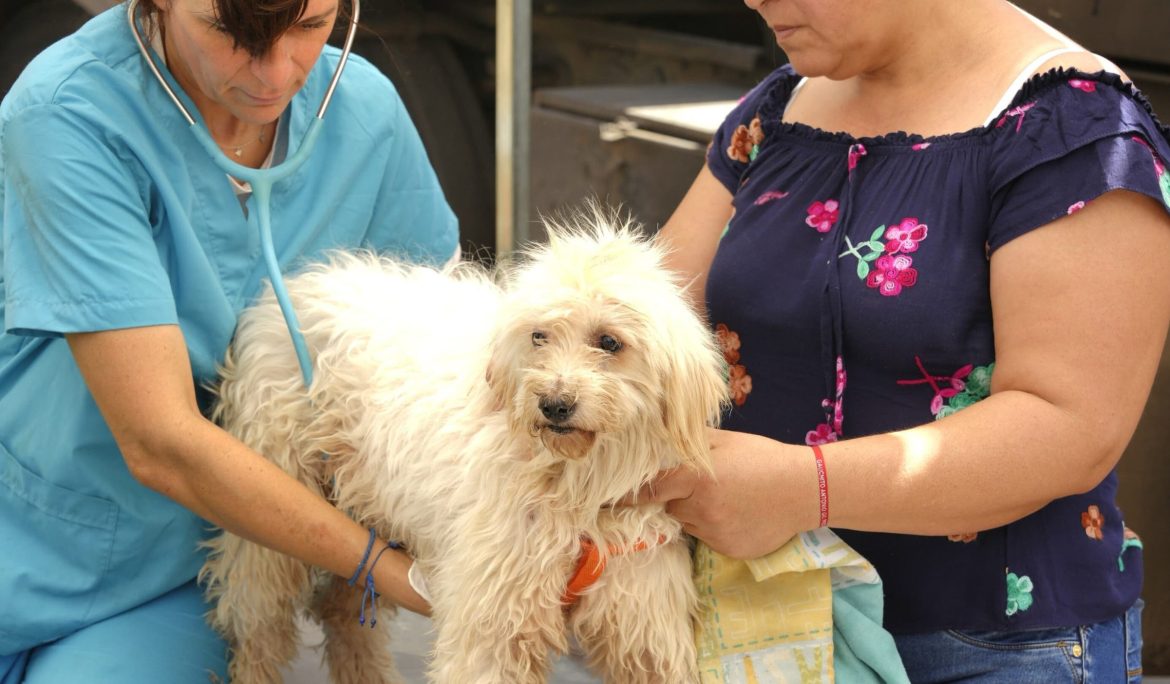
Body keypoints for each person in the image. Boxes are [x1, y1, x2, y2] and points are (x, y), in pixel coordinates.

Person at [644, 0, 1170, 681]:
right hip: (770, 625)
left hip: (992, 650)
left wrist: (803, 490)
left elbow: (1069, 424)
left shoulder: (1075, 126)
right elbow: (650, 320)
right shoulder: (778, 108)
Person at [0, 0, 455, 680]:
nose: (275, 72)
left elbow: (445, 370)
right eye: (228, 33)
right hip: (38, 526)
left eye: (309, 27)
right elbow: (160, 443)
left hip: (187, 570)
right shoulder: (69, 109)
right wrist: (388, 570)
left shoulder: (366, 117)